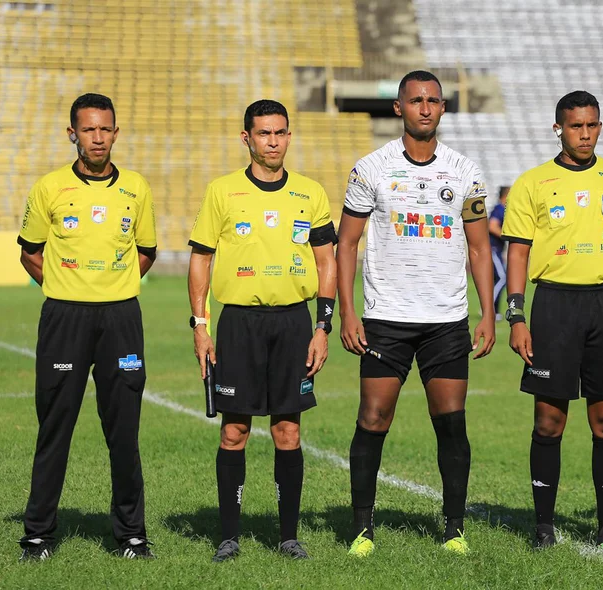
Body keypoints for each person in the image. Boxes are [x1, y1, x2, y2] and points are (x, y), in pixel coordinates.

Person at [337, 70, 495, 557]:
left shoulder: (465, 171)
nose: (425, 108)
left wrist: (487, 313)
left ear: (442, 109)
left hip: (447, 320)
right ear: (398, 108)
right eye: (415, 100)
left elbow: (478, 247)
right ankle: (362, 529)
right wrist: (348, 313)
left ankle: (453, 530)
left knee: (451, 423)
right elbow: (346, 244)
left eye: (433, 101)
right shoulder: (372, 168)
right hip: (386, 317)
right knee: (373, 418)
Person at [502, 90, 603, 552]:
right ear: (559, 128)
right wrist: (516, 314)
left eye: (592, 125)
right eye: (576, 126)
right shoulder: (533, 183)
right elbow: (518, 251)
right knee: (549, 422)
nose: (585, 134)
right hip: (554, 307)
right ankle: (544, 526)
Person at [188, 99, 338, 562]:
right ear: (247, 139)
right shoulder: (222, 191)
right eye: (263, 134)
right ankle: (228, 536)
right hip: (238, 324)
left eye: (280, 133)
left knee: (288, 431)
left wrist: (323, 326)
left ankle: (288, 536)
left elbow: (326, 261)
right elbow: (201, 258)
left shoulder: (310, 193)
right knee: (234, 430)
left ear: (289, 136)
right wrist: (200, 325)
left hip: (294, 323)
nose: (272, 141)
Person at [16, 93, 158, 561]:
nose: (98, 137)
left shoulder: (136, 187)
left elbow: (146, 252)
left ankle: (131, 535)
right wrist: (65, 285)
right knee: (55, 426)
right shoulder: (49, 187)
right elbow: (30, 252)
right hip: (64, 317)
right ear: (72, 133)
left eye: (106, 129)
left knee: (124, 428)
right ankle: (37, 534)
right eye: (89, 129)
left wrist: (110, 287)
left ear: (116, 133)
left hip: (121, 318)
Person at [488, 186, 510, 321]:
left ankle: (494, 311)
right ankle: (489, 309)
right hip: (493, 249)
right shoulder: (499, 209)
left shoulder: (502, 209)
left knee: (498, 279)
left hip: (497, 249)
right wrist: (508, 236)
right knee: (502, 278)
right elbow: (492, 225)